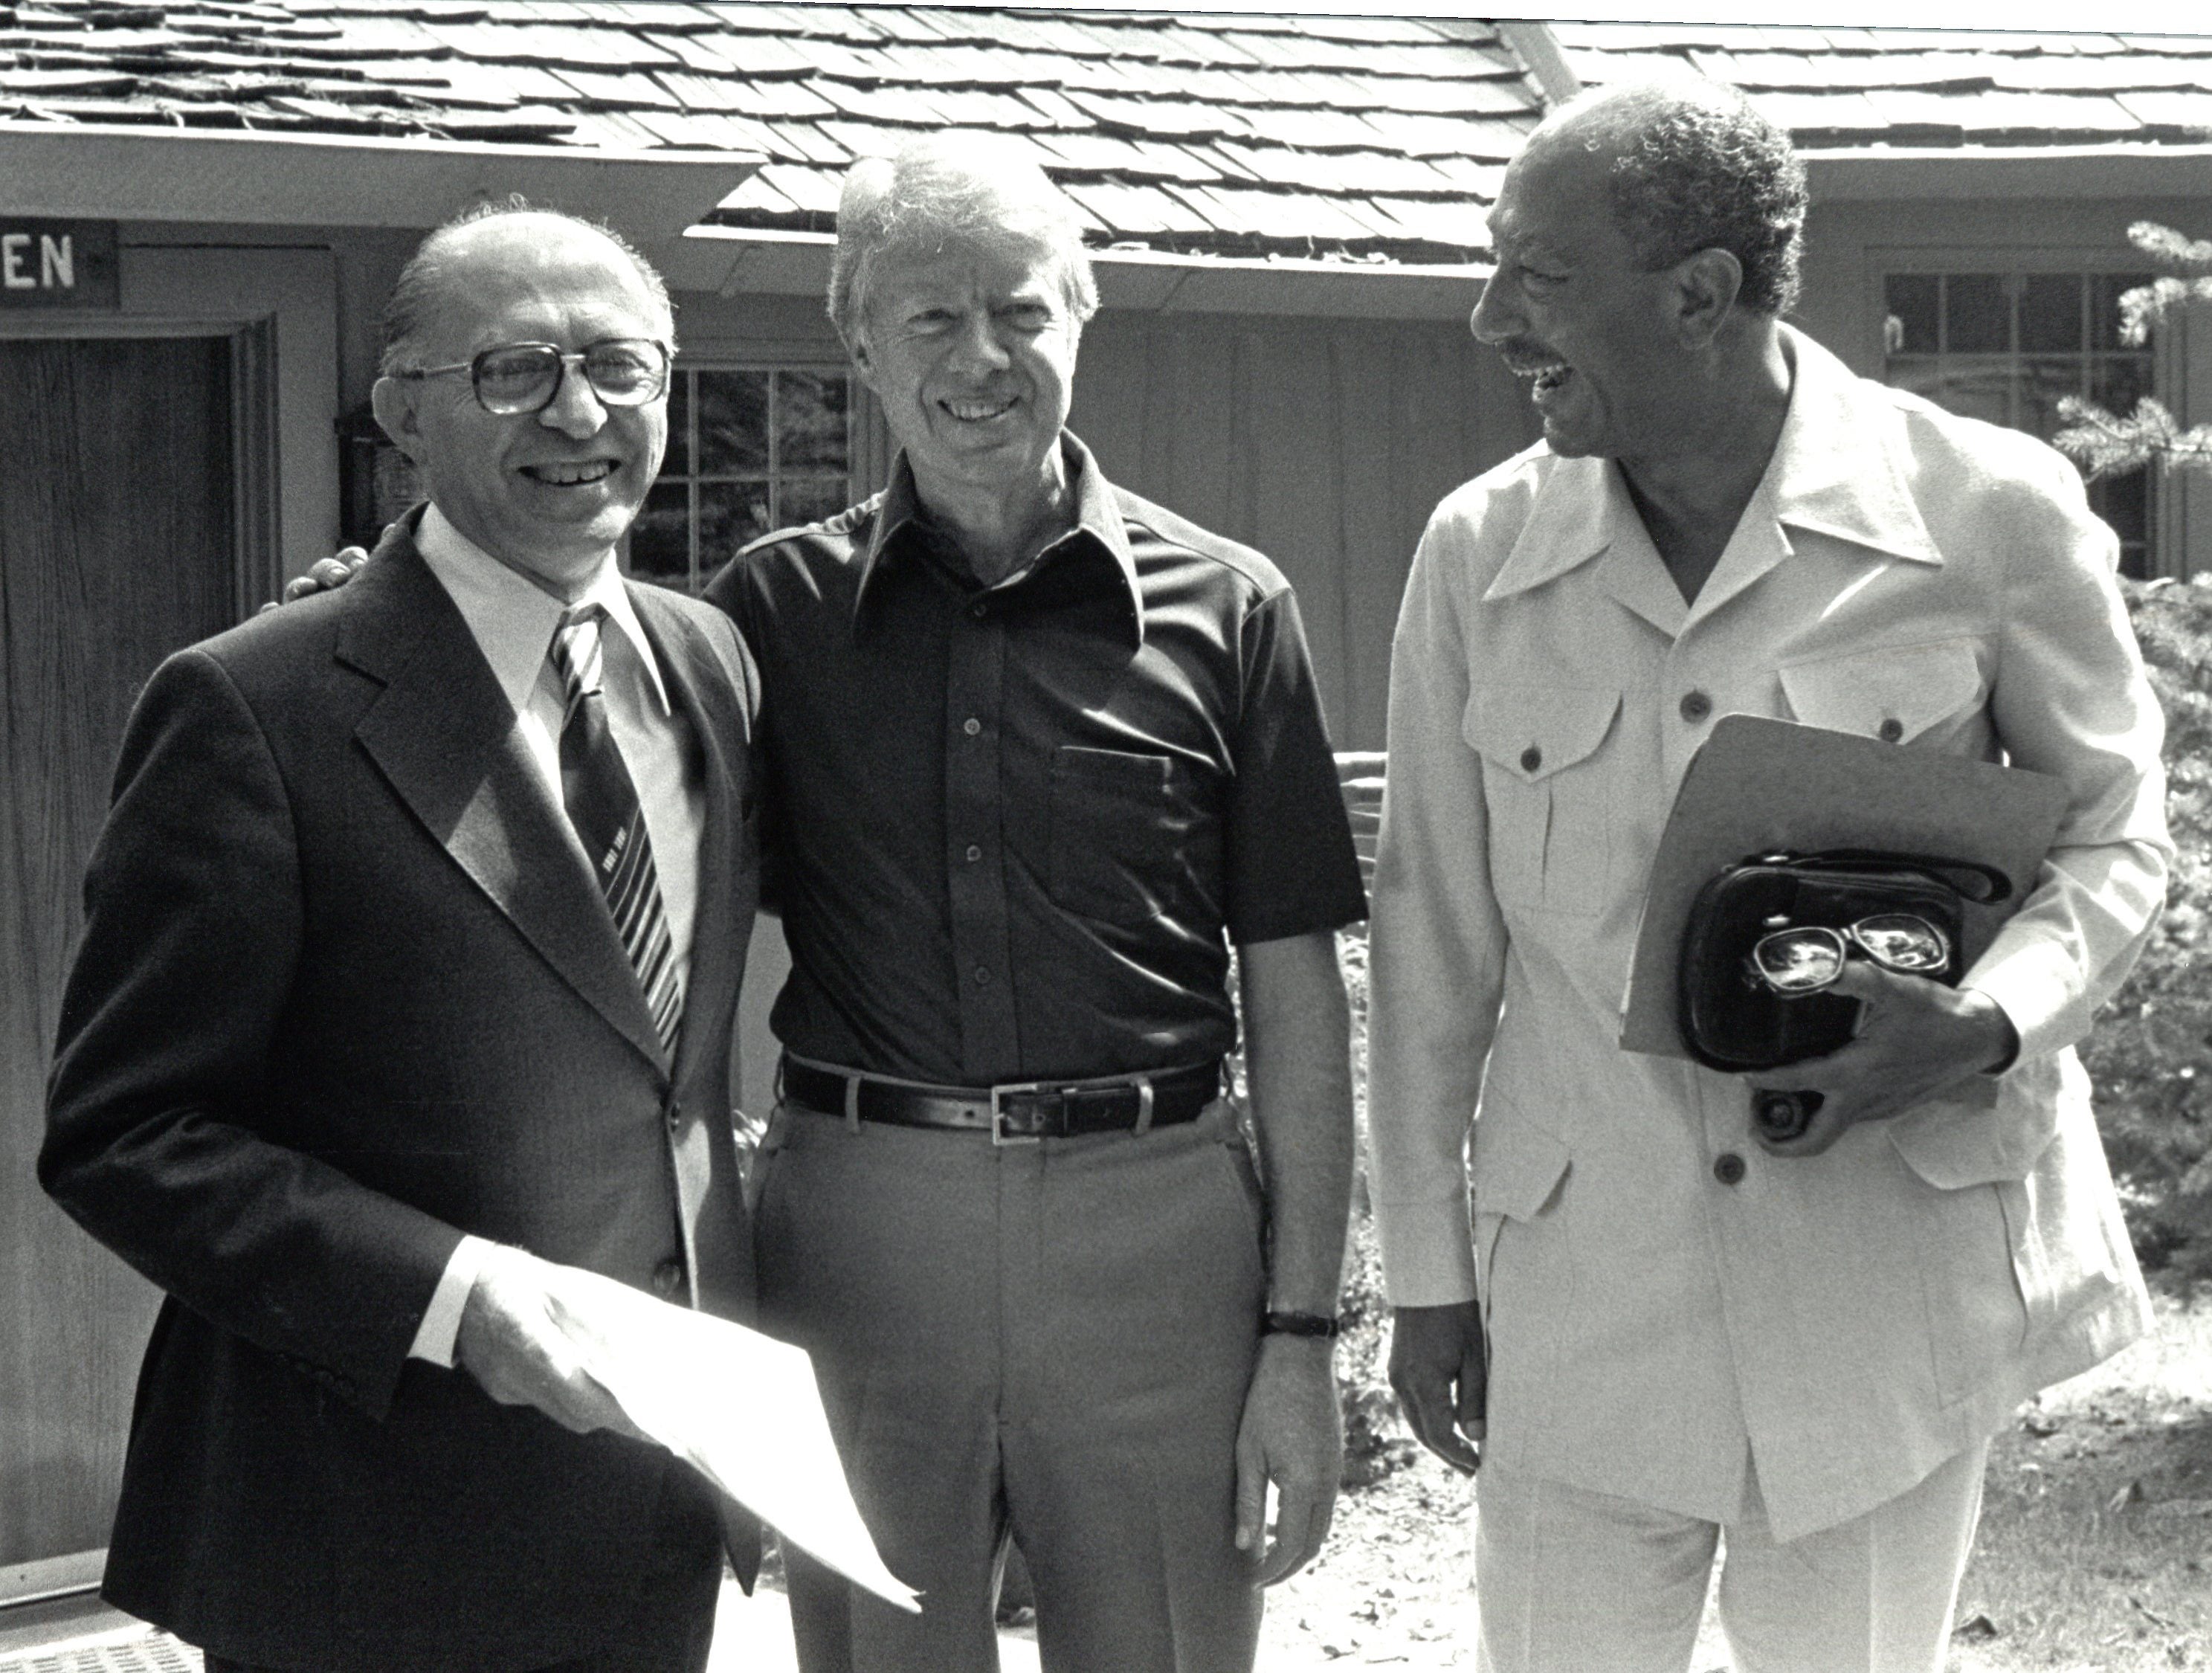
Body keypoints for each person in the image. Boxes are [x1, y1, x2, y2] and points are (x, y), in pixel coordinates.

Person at [1364, 78, 2169, 1673]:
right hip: (1586, 1297)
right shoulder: (1479, 552)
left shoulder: (1983, 515)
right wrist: (1429, 1282)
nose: (1487, 319)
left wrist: (1988, 1023)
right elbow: (1431, 943)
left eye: (1538, 276)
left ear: (1701, 295)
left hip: (1878, 1301)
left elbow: (2114, 831)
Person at [41, 204, 763, 1673]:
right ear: (402, 415)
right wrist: (454, 1298)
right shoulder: (256, 704)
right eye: (514, 371)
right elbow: (128, 1131)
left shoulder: (709, 661)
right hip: (360, 1524)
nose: (580, 411)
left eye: (623, 367)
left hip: (650, 1498)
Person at [702, 132, 1367, 1673]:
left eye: (1020, 310)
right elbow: (675, 976)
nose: (981, 358)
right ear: (858, 344)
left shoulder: (1234, 607)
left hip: (1159, 1236)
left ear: (1084, 313)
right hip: (863, 1235)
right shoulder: (767, 616)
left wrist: (1302, 1342)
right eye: (930, 320)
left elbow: (1295, 992)